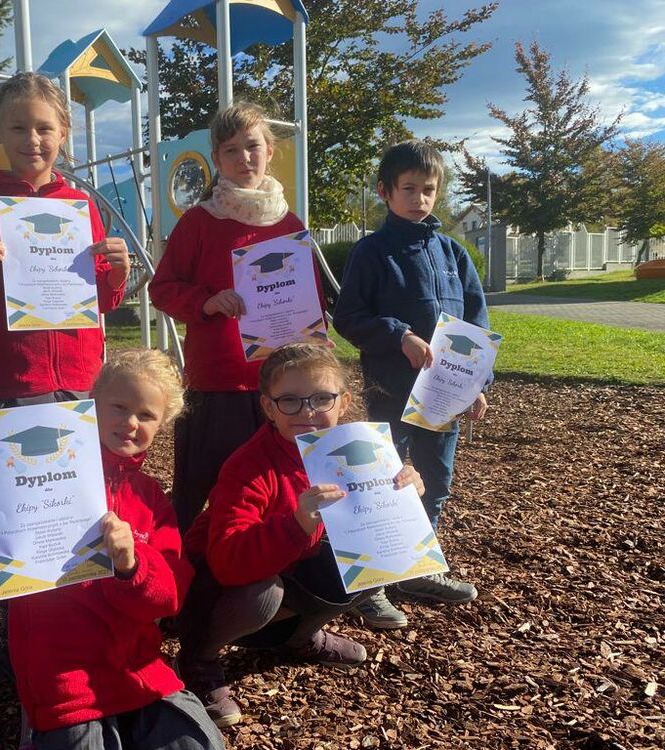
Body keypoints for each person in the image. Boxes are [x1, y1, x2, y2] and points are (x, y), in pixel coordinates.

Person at [0, 350, 225, 750]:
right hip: (62, 680)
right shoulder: (33, 474)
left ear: (162, 424)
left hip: (139, 670)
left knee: (198, 743)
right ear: (91, 403)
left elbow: (170, 595)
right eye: (119, 407)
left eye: (147, 415)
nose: (131, 423)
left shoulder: (150, 499)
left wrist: (133, 565)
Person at [175, 343, 425, 728]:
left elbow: (384, 530)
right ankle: (198, 656)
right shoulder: (248, 466)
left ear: (344, 402)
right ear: (268, 407)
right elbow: (226, 561)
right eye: (289, 400)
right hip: (212, 586)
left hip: (288, 562)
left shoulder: (360, 452)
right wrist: (296, 525)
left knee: (371, 557)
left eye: (321, 399)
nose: (307, 411)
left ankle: (299, 637)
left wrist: (403, 496)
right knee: (263, 594)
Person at [332, 139, 489, 631]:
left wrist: (476, 382)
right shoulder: (372, 252)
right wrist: (398, 335)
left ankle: (416, 568)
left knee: (435, 481)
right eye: (408, 189)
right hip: (390, 391)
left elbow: (475, 324)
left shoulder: (453, 254)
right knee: (385, 481)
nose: (419, 199)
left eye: (428, 190)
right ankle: (372, 583)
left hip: (442, 395)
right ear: (385, 191)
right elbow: (348, 316)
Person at [148, 102, 320, 534]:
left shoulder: (289, 222)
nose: (244, 158)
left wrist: (315, 337)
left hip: (279, 386)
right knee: (197, 492)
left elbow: (309, 297)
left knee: (276, 492)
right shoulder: (200, 222)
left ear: (270, 151)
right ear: (217, 159)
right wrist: (206, 302)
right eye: (231, 150)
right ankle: (183, 565)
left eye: (252, 146)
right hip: (217, 382)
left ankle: (268, 563)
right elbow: (162, 288)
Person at [0, 72, 130, 413]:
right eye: (18, 128)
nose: (32, 139)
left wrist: (117, 274)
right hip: (5, 384)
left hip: (80, 383)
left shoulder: (81, 206)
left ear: (63, 132)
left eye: (44, 128)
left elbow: (101, 302)